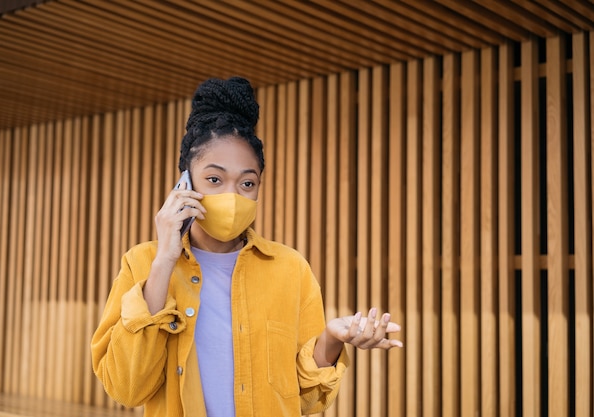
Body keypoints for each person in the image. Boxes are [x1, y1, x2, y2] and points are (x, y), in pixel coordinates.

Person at [91, 76, 402, 417]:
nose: (233, 195)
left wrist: (330, 339)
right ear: (184, 181)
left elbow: (306, 401)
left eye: (247, 183)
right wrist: (165, 260)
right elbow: (126, 388)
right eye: (214, 179)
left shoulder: (290, 268)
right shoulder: (141, 263)